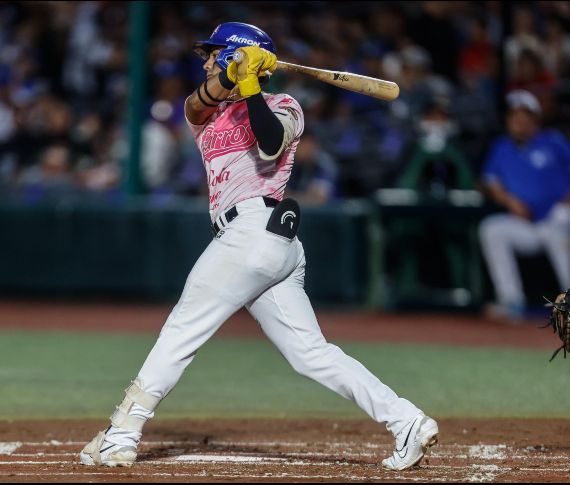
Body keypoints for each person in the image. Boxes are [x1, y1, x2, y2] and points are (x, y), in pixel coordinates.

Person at [79, 22, 438, 472]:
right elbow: (196, 103)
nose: (205, 63)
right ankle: (406, 420)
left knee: (181, 331)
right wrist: (235, 73)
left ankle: (121, 434)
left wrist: (249, 84)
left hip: (257, 231)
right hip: (256, 241)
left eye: (215, 55)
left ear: (238, 54)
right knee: (310, 354)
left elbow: (269, 145)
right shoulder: (205, 113)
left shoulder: (285, 106)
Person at [479, 90, 570, 319]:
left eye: (524, 116)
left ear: (535, 119)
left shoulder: (552, 140)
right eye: (514, 116)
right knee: (492, 229)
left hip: (556, 218)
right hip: (526, 224)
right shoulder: (501, 146)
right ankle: (511, 301)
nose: (518, 121)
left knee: (562, 226)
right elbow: (490, 182)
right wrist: (509, 201)